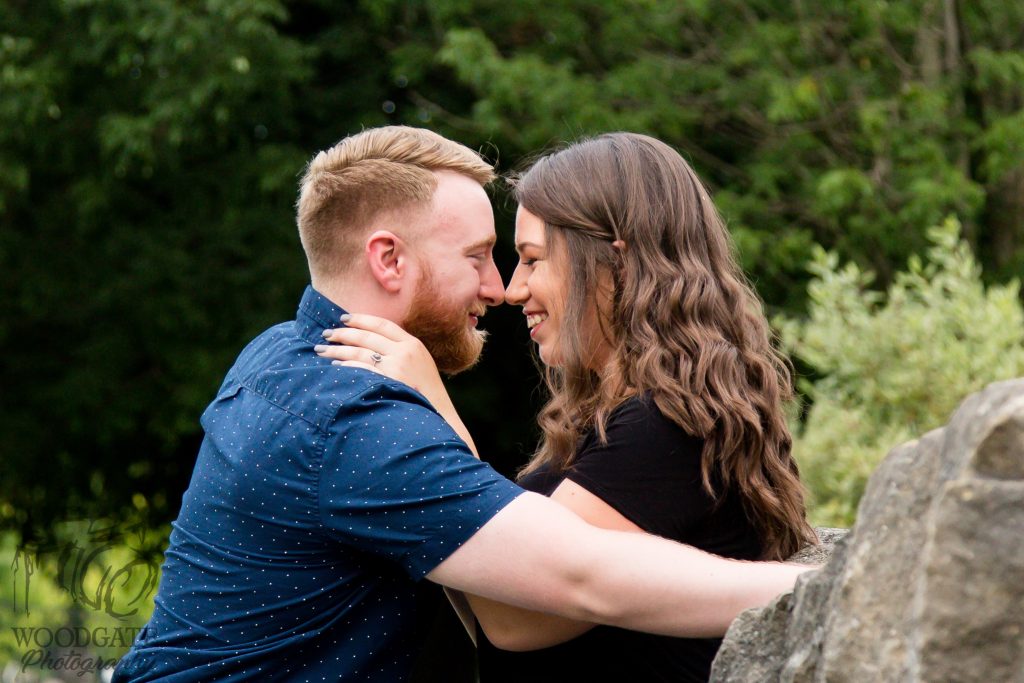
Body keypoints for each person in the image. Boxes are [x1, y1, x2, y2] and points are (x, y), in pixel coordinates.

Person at [113, 126, 813, 683]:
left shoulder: (278, 357)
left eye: (524, 258)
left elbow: (550, 582)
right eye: (481, 256)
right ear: (389, 260)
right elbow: (560, 575)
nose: (502, 286)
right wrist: (807, 584)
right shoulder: (354, 419)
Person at [316, 132, 818, 682]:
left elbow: (517, 616)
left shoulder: (667, 424)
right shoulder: (621, 416)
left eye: (532, 260)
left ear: (614, 264)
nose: (512, 289)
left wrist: (434, 416)